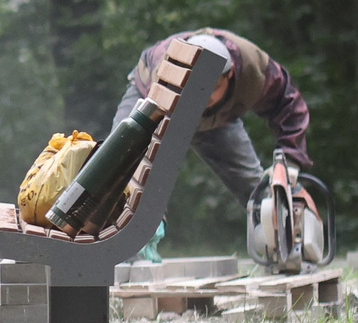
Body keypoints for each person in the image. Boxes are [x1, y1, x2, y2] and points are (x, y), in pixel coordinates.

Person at [115, 28, 313, 209]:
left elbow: (290, 105)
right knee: (118, 166)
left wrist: (290, 159)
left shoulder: (253, 67)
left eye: (214, 87)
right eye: (198, 87)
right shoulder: (166, 72)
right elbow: (151, 156)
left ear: (231, 74)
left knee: (256, 189)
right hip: (151, 102)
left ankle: (279, 232)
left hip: (218, 120)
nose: (204, 96)